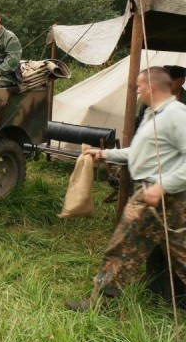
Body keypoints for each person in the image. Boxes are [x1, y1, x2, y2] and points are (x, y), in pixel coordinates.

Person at [66, 67, 186, 311]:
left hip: (165, 196)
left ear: (152, 87)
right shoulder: (153, 114)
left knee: (164, 252)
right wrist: (104, 154)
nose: (137, 91)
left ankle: (98, 303)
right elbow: (140, 152)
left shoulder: (175, 114)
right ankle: (99, 302)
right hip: (149, 195)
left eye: (140, 86)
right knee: (125, 248)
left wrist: (162, 187)